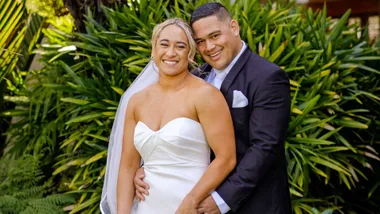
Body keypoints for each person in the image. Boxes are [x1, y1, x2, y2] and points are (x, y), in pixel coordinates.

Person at [135, 3, 292, 214]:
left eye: (215, 36)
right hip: (193, 198)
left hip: (255, 204)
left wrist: (221, 199)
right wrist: (149, 169)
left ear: (234, 28)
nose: (209, 47)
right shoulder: (196, 77)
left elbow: (264, 148)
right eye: (200, 41)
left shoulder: (267, 77)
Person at [100, 18, 236, 214]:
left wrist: (191, 201)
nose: (170, 53)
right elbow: (128, 166)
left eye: (180, 46)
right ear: (153, 50)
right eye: (164, 45)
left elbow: (226, 158)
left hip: (190, 206)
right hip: (148, 206)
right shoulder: (136, 101)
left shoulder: (206, 95)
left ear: (190, 53)